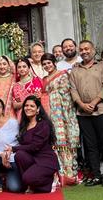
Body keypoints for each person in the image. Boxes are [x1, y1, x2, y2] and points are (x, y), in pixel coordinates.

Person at [69, 40, 103, 187]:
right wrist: (82, 104)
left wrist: (94, 103)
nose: (84, 51)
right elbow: (73, 90)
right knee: (90, 145)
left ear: (93, 50)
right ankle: (96, 175)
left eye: (87, 49)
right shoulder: (75, 70)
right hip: (83, 113)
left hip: (101, 111)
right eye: (81, 49)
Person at [7, 95, 59, 193]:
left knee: (27, 178)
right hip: (32, 159)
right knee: (19, 155)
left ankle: (50, 180)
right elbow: (23, 146)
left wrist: (13, 149)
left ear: (38, 109)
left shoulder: (43, 124)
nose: (28, 108)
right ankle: (31, 185)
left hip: (45, 160)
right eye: (26, 105)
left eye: (32, 106)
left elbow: (35, 147)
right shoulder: (24, 125)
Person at [41, 53, 80, 186]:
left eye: (49, 63)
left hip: (66, 113)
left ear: (54, 62)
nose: (47, 66)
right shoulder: (44, 80)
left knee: (70, 141)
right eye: (44, 64)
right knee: (57, 142)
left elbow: (68, 93)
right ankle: (61, 173)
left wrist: (54, 95)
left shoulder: (63, 74)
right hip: (52, 116)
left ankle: (71, 173)